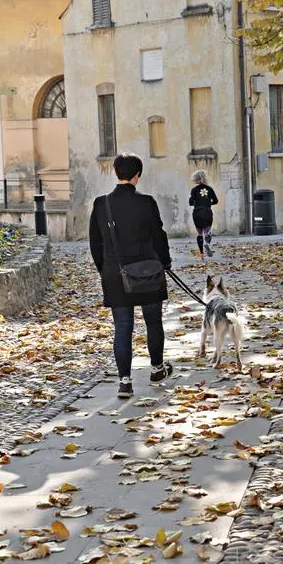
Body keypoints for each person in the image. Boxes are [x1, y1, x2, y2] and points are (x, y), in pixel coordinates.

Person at [89, 153, 173, 398]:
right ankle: (157, 368)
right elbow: (159, 236)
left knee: (123, 327)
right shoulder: (147, 203)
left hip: (116, 273)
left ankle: (124, 381)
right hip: (148, 270)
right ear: (138, 175)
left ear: (116, 173)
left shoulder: (101, 204)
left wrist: (104, 269)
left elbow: (96, 243)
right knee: (153, 322)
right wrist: (165, 263)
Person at [189, 170, 218, 259]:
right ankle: (207, 243)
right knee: (207, 232)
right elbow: (216, 201)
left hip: (197, 213)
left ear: (197, 179)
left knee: (200, 233)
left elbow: (190, 202)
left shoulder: (194, 190)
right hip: (207, 212)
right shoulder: (209, 189)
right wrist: (208, 203)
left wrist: (196, 203)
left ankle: (201, 254)